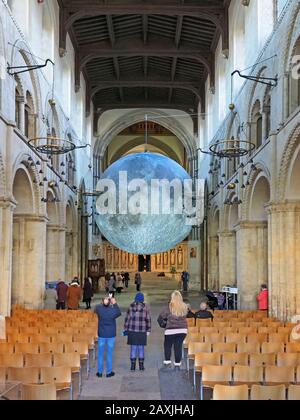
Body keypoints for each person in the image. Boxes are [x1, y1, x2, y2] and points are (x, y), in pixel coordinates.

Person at [158, 291, 188, 370]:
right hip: (182, 330)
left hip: (170, 330)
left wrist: (164, 325)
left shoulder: (169, 307)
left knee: (167, 346)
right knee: (178, 347)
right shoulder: (185, 307)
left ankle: (167, 362)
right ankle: (177, 365)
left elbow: (160, 317)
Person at [94, 296, 122, 378]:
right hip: (111, 334)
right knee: (109, 354)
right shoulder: (113, 310)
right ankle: (109, 372)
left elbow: (96, 309)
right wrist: (114, 303)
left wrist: (104, 301)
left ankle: (99, 372)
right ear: (110, 302)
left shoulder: (99, 308)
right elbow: (119, 312)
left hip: (102, 334)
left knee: (100, 354)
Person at [124, 293, 151, 372]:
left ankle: (132, 367)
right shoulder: (145, 307)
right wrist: (148, 330)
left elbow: (127, 319)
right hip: (142, 330)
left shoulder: (130, 306)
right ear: (142, 299)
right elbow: (148, 319)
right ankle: (141, 367)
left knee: (133, 348)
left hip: (132, 330)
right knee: (141, 348)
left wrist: (126, 329)